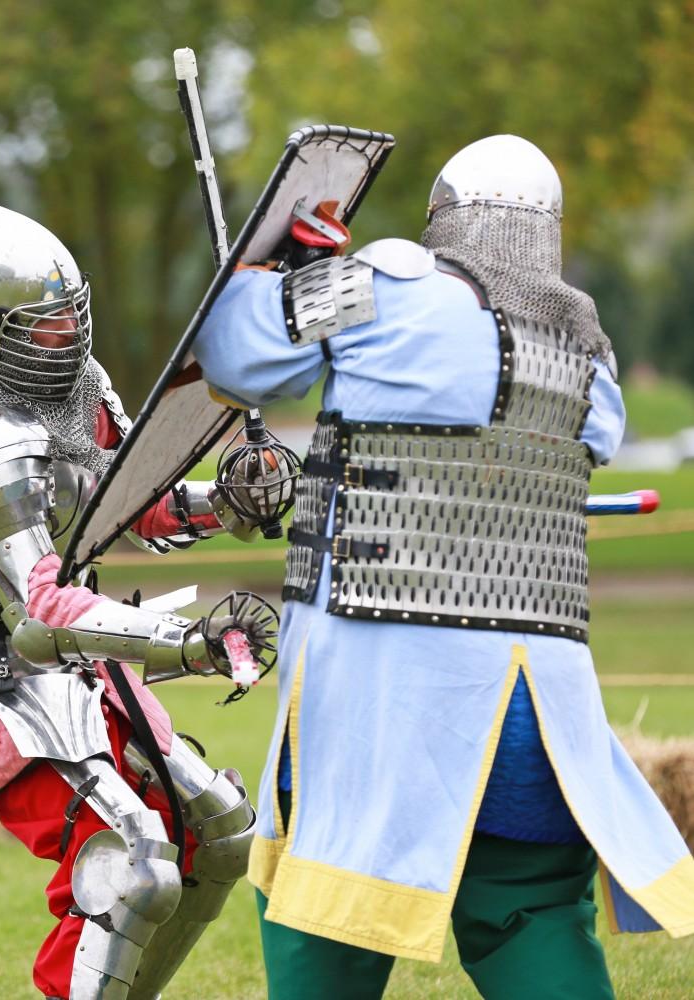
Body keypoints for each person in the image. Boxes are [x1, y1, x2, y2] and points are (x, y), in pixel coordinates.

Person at [192, 135, 694, 999]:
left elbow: (233, 355)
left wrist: (271, 273)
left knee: (325, 911)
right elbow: (595, 438)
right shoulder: (584, 347)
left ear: (445, 219)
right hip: (535, 717)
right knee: (531, 918)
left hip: (381, 707)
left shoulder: (374, 283)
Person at [0, 202, 276, 1000]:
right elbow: (37, 608)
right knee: (135, 868)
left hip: (78, 660)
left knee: (221, 835)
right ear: (0, 333)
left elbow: (134, 505)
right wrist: (186, 641)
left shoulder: (84, 392)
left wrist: (231, 500)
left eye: (75, 316)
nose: (69, 336)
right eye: (48, 325)